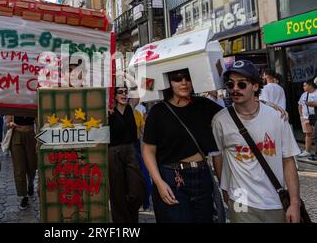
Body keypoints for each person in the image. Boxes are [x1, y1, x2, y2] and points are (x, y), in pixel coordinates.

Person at [212, 60, 301, 223]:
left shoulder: (277, 117)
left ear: (255, 86)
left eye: (242, 84)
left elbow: (288, 161)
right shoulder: (220, 120)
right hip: (239, 197)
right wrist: (225, 190)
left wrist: (294, 203)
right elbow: (217, 156)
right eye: (230, 85)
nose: (235, 89)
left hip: (274, 199)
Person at [142, 69, 223, 223]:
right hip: (172, 178)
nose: (184, 83)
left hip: (202, 175)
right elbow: (148, 150)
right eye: (177, 79)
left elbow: (232, 116)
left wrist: (264, 104)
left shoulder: (204, 105)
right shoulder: (158, 112)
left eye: (188, 78)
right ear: (168, 83)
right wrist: (159, 183)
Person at [108, 86, 145, 223]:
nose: (124, 94)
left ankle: (131, 217)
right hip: (113, 152)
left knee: (137, 191)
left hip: (130, 151)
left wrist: (126, 75)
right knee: (117, 192)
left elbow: (140, 89)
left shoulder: (131, 107)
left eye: (125, 92)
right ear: (115, 95)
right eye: (120, 92)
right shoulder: (109, 111)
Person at [6, 115, 37, 210]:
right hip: (17, 136)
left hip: (31, 135)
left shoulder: (32, 102)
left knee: (32, 166)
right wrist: (10, 124)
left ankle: (31, 183)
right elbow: (8, 123)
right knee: (19, 169)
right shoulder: (13, 104)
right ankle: (24, 196)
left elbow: (38, 120)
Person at [298, 80, 317, 157]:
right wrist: (301, 115)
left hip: (315, 117)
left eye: (305, 85)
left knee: (315, 135)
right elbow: (299, 105)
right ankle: (307, 150)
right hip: (306, 117)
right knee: (308, 134)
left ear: (310, 85)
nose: (303, 87)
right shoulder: (304, 94)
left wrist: (313, 104)